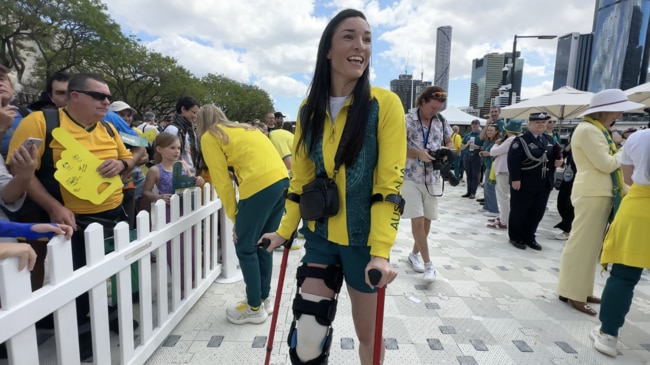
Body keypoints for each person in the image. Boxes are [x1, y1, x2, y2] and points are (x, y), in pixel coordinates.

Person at [260, 9, 406, 365]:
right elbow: (301, 179)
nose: (361, 46)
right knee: (307, 337)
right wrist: (282, 231)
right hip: (321, 237)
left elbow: (389, 183)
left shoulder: (384, 105)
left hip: (364, 243)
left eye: (367, 39)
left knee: (368, 338)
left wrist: (381, 252)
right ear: (328, 49)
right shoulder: (309, 108)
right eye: (349, 37)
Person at [7, 72, 135, 360]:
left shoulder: (108, 129)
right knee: (74, 281)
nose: (106, 102)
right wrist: (53, 206)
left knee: (105, 276)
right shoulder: (41, 122)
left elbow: (131, 156)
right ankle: (78, 338)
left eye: (108, 97)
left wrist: (121, 163)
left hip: (112, 217)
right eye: (99, 96)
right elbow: (21, 172)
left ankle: (101, 321)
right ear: (75, 96)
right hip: (71, 221)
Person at [197, 105, 289, 325]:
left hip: (259, 186)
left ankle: (254, 307)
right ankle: (263, 299)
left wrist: (235, 218)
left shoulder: (210, 136)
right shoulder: (248, 129)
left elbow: (221, 180)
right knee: (264, 243)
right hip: (282, 181)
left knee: (245, 248)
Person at [556, 89, 643, 316]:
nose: (621, 114)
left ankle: (580, 290)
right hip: (593, 192)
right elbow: (605, 164)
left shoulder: (597, 129)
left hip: (600, 191)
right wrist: (626, 148)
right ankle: (572, 292)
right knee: (582, 245)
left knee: (591, 247)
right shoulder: (589, 130)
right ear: (607, 109)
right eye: (618, 109)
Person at [590, 127, 650, 357]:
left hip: (640, 206)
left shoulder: (638, 138)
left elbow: (627, 177)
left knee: (624, 276)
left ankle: (608, 335)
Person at [142, 132, 203, 293]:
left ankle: (192, 281)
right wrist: (159, 196)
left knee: (190, 248)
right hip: (168, 213)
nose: (176, 151)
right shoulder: (155, 170)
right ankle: (180, 284)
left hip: (187, 210)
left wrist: (197, 181)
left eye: (179, 148)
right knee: (173, 251)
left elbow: (190, 181)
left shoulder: (182, 165)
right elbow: (146, 192)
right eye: (172, 148)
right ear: (160, 149)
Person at [403, 86, 453, 283]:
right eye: (432, 107)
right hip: (410, 176)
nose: (434, 112)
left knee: (427, 220)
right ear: (422, 101)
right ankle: (428, 264)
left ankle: (414, 253)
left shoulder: (441, 121)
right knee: (417, 219)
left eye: (438, 108)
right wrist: (418, 153)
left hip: (433, 176)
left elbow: (449, 141)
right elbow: (396, 146)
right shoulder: (406, 120)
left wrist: (447, 150)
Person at [507, 112, 562, 251]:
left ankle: (529, 236)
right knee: (520, 210)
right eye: (537, 122)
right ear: (530, 124)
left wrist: (559, 162)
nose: (541, 125)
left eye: (543, 123)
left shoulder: (549, 140)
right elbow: (513, 161)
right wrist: (515, 178)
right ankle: (516, 236)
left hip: (544, 183)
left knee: (537, 212)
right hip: (524, 182)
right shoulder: (521, 141)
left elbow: (552, 158)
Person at [486, 119, 522, 230]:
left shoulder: (510, 140)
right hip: (506, 170)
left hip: (503, 170)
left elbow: (493, 152)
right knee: (504, 195)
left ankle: (503, 221)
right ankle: (503, 216)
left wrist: (495, 145)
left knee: (503, 196)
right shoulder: (518, 138)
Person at [163, 96, 201, 175]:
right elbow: (167, 155)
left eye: (197, 113)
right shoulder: (173, 129)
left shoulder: (190, 130)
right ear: (183, 109)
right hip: (178, 175)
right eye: (194, 112)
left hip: (191, 174)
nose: (196, 116)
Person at [553, 139, 576, 240]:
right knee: (561, 203)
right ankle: (567, 225)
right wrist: (571, 144)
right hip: (568, 177)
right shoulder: (572, 146)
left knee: (570, 205)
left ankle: (567, 230)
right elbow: (562, 156)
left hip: (579, 178)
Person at [478, 124, 500, 216]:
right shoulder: (488, 140)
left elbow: (497, 152)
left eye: (491, 130)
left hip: (493, 167)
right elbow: (481, 138)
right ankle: (487, 206)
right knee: (486, 187)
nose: (489, 132)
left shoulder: (498, 141)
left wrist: (489, 153)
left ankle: (493, 209)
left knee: (490, 188)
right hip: (487, 165)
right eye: (488, 130)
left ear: (496, 132)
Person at [460, 120, 483, 199]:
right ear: (471, 125)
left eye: (476, 124)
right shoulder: (467, 135)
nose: (474, 125)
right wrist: (467, 144)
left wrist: (478, 147)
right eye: (473, 124)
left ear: (479, 125)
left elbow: (485, 147)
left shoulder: (481, 135)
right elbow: (461, 147)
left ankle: (473, 192)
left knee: (475, 175)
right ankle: (468, 192)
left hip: (476, 156)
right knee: (468, 175)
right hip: (467, 156)